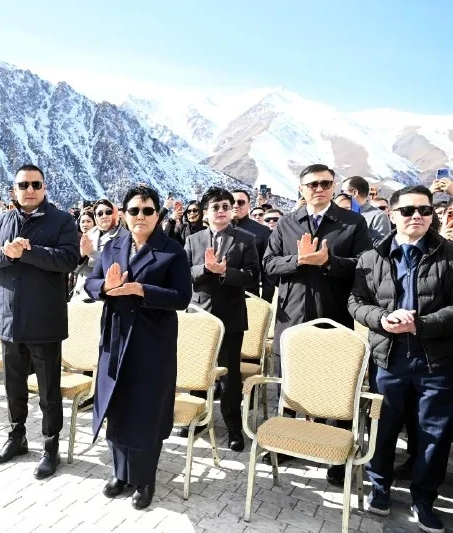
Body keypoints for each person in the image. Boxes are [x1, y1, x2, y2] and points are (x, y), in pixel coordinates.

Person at [348, 185, 453, 533]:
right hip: (388, 358)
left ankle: (423, 499)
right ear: (392, 216)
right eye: (408, 211)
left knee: (433, 434)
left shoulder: (449, 255)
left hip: (435, 360)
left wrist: (421, 324)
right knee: (383, 427)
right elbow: (355, 302)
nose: (417, 216)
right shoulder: (371, 257)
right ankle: (380, 487)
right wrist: (382, 319)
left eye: (424, 210)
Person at [84, 185, 191, 510]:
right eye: (134, 210)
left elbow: (182, 297)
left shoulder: (171, 250)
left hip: (151, 343)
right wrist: (105, 287)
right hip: (115, 338)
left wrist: (143, 290)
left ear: (157, 215)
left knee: (145, 411)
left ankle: (144, 479)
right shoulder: (112, 246)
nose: (140, 216)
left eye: (147, 211)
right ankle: (121, 473)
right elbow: (91, 282)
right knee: (116, 406)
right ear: (124, 214)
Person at [262, 163, 372, 476]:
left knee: (335, 383)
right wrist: (297, 261)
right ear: (301, 189)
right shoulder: (287, 223)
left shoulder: (352, 223)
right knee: (289, 383)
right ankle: (285, 443)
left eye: (325, 183)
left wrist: (329, 262)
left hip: (333, 315)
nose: (319, 189)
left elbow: (365, 265)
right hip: (293, 316)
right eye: (312, 184)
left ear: (334, 186)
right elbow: (268, 264)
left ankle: (338, 456)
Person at [0, 164, 79, 480]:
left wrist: (28, 252)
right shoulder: (2, 221)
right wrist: (7, 254)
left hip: (44, 320)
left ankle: (50, 446)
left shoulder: (62, 220)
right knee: (13, 386)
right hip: (9, 319)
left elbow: (69, 259)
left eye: (35, 184)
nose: (29, 190)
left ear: (44, 187)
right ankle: (16, 436)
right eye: (23, 185)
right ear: (14, 190)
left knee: (48, 390)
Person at [184, 187, 259, 453]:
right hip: (199, 316)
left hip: (231, 316)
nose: (221, 211)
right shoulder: (193, 240)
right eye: (215, 207)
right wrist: (205, 269)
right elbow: (183, 273)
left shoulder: (245, 239)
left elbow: (254, 276)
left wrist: (226, 272)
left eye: (226, 206)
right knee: (198, 370)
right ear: (205, 212)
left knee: (229, 376)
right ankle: (196, 418)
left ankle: (234, 427)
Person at [73, 199, 128, 299]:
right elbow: (74, 269)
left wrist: (92, 253)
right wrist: (81, 256)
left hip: (107, 294)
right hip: (82, 292)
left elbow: (120, 267)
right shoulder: (89, 235)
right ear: (95, 217)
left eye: (108, 212)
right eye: (100, 213)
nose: (104, 216)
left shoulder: (126, 236)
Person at [232, 190, 274, 301]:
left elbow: (267, 267)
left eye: (241, 202)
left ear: (248, 205)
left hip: (249, 296)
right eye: (232, 201)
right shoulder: (218, 228)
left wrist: (266, 299)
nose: (235, 205)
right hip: (218, 293)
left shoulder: (262, 231)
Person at [342, 176, 391, 240]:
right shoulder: (342, 214)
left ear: (354, 192)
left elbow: (382, 243)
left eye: (343, 192)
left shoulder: (378, 216)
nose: (341, 195)